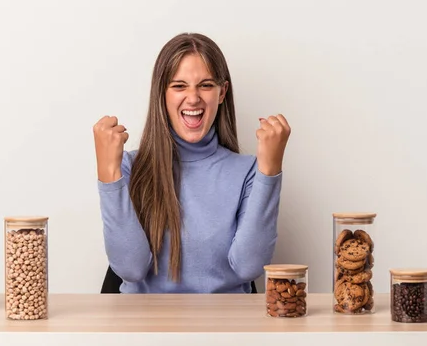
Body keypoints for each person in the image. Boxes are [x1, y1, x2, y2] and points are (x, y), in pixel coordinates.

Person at [93, 32, 291, 293]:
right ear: (161, 94)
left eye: (206, 85)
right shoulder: (131, 167)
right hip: (147, 328)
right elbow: (131, 269)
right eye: (179, 86)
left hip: (226, 329)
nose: (193, 97)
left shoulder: (248, 171)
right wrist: (109, 175)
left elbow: (249, 267)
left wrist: (270, 170)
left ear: (222, 93)